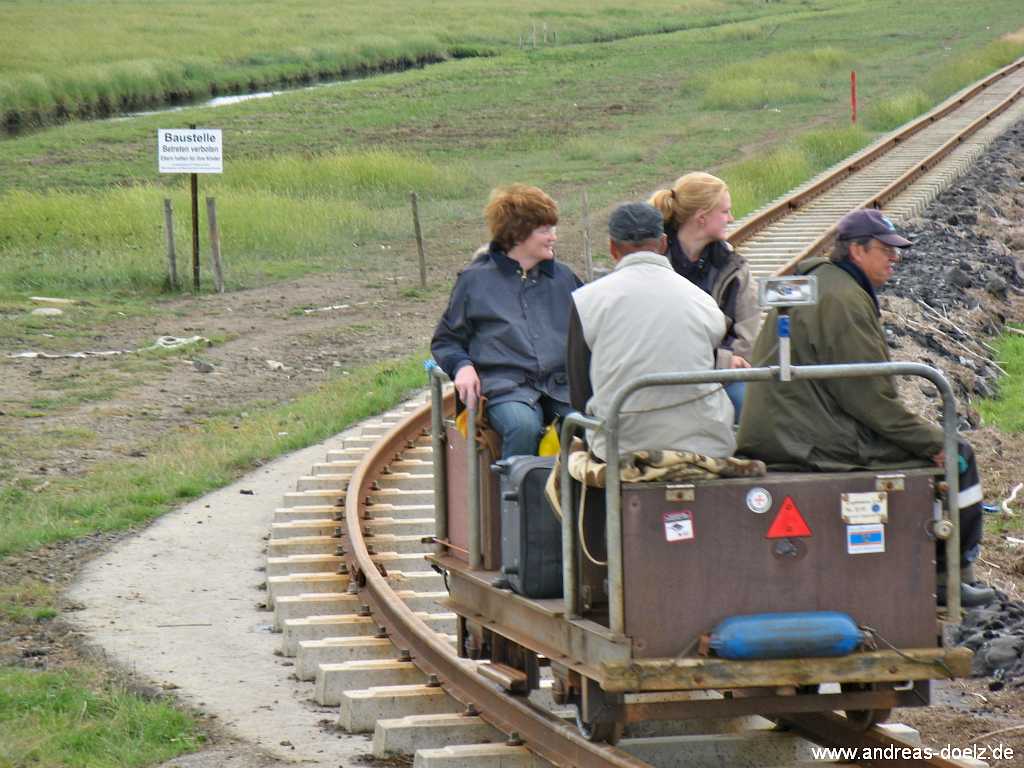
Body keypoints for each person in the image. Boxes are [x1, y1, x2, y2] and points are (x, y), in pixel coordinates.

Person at [736, 208, 993, 607]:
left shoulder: (821, 282)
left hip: (789, 426)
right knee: (959, 455)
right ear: (856, 250)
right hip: (809, 438)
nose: (896, 257)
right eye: (886, 249)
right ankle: (951, 575)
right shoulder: (843, 299)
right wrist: (932, 441)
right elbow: (868, 397)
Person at [566, 202, 735, 461]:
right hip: (705, 445)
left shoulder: (586, 301)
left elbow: (580, 394)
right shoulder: (701, 300)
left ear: (612, 248)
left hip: (618, 447)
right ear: (664, 243)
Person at [431, 184, 582, 459]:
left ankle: (584, 501)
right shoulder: (475, 281)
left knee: (588, 426)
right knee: (522, 425)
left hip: (560, 387)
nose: (554, 237)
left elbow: (589, 335)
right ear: (519, 233)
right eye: (545, 230)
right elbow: (447, 339)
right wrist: (462, 367)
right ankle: (514, 500)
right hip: (505, 385)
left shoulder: (564, 279)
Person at [649, 172, 760, 420]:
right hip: (662, 374)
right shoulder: (654, 263)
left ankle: (743, 458)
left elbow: (747, 335)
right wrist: (716, 360)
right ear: (701, 217)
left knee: (749, 404)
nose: (731, 218)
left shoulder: (734, 267)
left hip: (722, 376)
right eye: (725, 212)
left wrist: (722, 363)